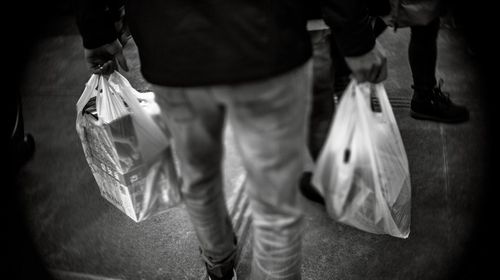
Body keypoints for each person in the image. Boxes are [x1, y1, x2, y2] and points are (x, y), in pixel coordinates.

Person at [76, 1, 387, 279]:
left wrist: (96, 28)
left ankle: (219, 264)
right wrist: (356, 36)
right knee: (275, 202)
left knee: (198, 176)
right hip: (267, 39)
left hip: (170, 42)